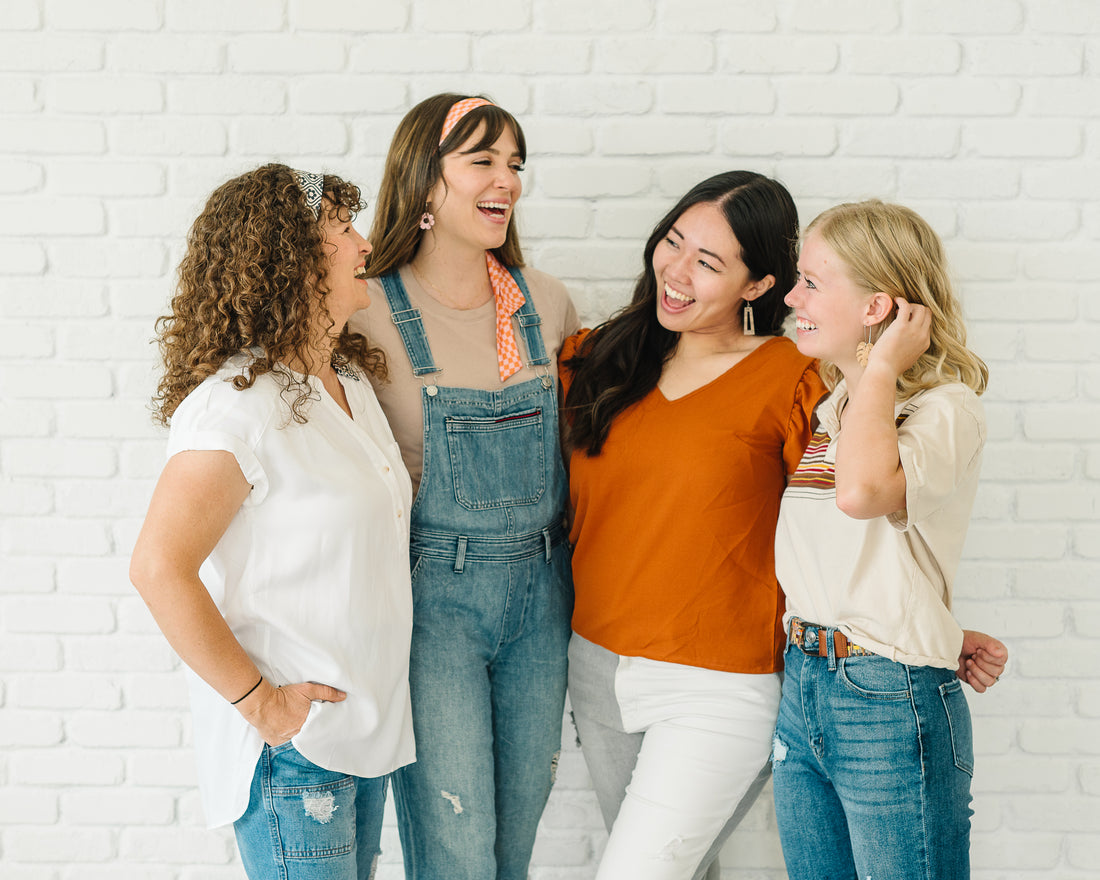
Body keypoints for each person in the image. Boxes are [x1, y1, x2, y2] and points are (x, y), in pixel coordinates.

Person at [129, 164, 415, 880]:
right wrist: (262, 705)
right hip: (293, 755)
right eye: (342, 229)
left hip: (359, 735)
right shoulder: (234, 404)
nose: (363, 244)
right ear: (292, 260)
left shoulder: (345, 383)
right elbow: (158, 567)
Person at [561, 170, 826, 879]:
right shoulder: (599, 360)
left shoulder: (791, 375)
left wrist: (926, 617)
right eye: (674, 242)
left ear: (758, 285)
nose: (677, 271)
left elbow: (846, 522)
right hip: (596, 667)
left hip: (721, 681)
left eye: (708, 263)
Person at [347, 94, 578, 880]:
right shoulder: (366, 310)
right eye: (482, 160)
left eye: (515, 164)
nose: (506, 180)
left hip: (544, 596)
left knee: (511, 851)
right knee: (456, 852)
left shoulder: (543, 302)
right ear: (425, 181)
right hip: (431, 605)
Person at [771, 199, 1006, 880]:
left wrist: (877, 371)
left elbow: (861, 496)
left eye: (813, 281)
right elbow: (849, 553)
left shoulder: (944, 409)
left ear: (879, 307)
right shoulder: (838, 405)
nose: (793, 296)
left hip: (886, 697)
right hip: (807, 682)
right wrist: (934, 625)